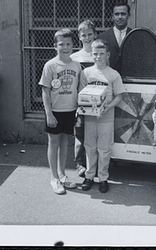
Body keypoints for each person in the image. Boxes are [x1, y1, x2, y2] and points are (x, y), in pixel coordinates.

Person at [39, 28, 82, 195]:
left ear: (73, 45)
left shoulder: (76, 65)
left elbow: (79, 89)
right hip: (55, 111)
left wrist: (78, 110)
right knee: (54, 143)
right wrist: (49, 113)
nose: (65, 47)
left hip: (70, 110)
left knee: (65, 143)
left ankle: (63, 175)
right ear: (55, 46)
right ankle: (54, 178)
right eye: (61, 44)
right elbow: (45, 91)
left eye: (69, 44)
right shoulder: (50, 65)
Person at [79, 39, 125, 193]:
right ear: (91, 55)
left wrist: (107, 107)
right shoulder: (86, 73)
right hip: (90, 117)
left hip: (106, 117)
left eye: (101, 54)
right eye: (95, 54)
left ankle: (103, 177)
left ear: (108, 55)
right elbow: (81, 95)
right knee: (90, 146)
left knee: (104, 149)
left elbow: (119, 96)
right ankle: (89, 176)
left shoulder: (113, 74)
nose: (98, 57)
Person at [70, 20, 96, 177]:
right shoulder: (74, 57)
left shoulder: (99, 54)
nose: (87, 38)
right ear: (79, 37)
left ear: (95, 34)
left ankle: (94, 162)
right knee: (79, 131)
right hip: (79, 100)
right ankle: (80, 163)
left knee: (94, 132)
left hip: (95, 101)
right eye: (84, 35)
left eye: (90, 34)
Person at [98, 2, 132, 73]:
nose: (120, 17)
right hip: (108, 78)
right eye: (117, 14)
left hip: (130, 78)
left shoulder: (134, 35)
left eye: (123, 14)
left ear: (128, 16)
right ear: (112, 16)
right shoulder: (102, 37)